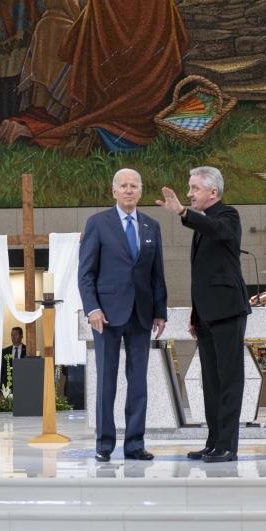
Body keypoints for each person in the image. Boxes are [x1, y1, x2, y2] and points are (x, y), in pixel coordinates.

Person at [0, 0, 188, 153]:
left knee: (96, 113)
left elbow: (78, 36)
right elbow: (177, 37)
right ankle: (103, 135)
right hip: (147, 92)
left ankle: (97, 133)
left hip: (105, 86)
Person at [157, 166, 250, 464]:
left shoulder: (228, 216)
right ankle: (213, 443)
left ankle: (228, 446)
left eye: (194, 188)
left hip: (228, 311)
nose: (189, 193)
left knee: (229, 381)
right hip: (207, 315)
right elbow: (204, 276)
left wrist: (183, 212)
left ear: (213, 191)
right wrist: (196, 315)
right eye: (189, 188)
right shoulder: (203, 222)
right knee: (210, 382)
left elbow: (217, 230)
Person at [78, 168, 167, 462]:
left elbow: (157, 273)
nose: (129, 190)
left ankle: (135, 444)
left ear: (140, 191)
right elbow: (86, 273)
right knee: (107, 381)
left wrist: (160, 311)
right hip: (105, 316)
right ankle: (104, 445)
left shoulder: (151, 226)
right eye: (123, 186)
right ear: (114, 191)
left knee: (138, 382)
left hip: (141, 314)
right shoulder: (97, 223)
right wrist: (92, 308)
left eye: (134, 186)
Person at [17, 0, 81, 121]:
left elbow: (32, 61)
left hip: (38, 94)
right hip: (60, 98)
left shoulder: (42, 24)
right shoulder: (71, 29)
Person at [0, 327, 26, 391]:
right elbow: (1, 371)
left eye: (16, 334)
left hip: (23, 385)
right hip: (7, 387)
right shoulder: (5, 351)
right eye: (12, 335)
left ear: (21, 336)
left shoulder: (27, 350)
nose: (13, 337)